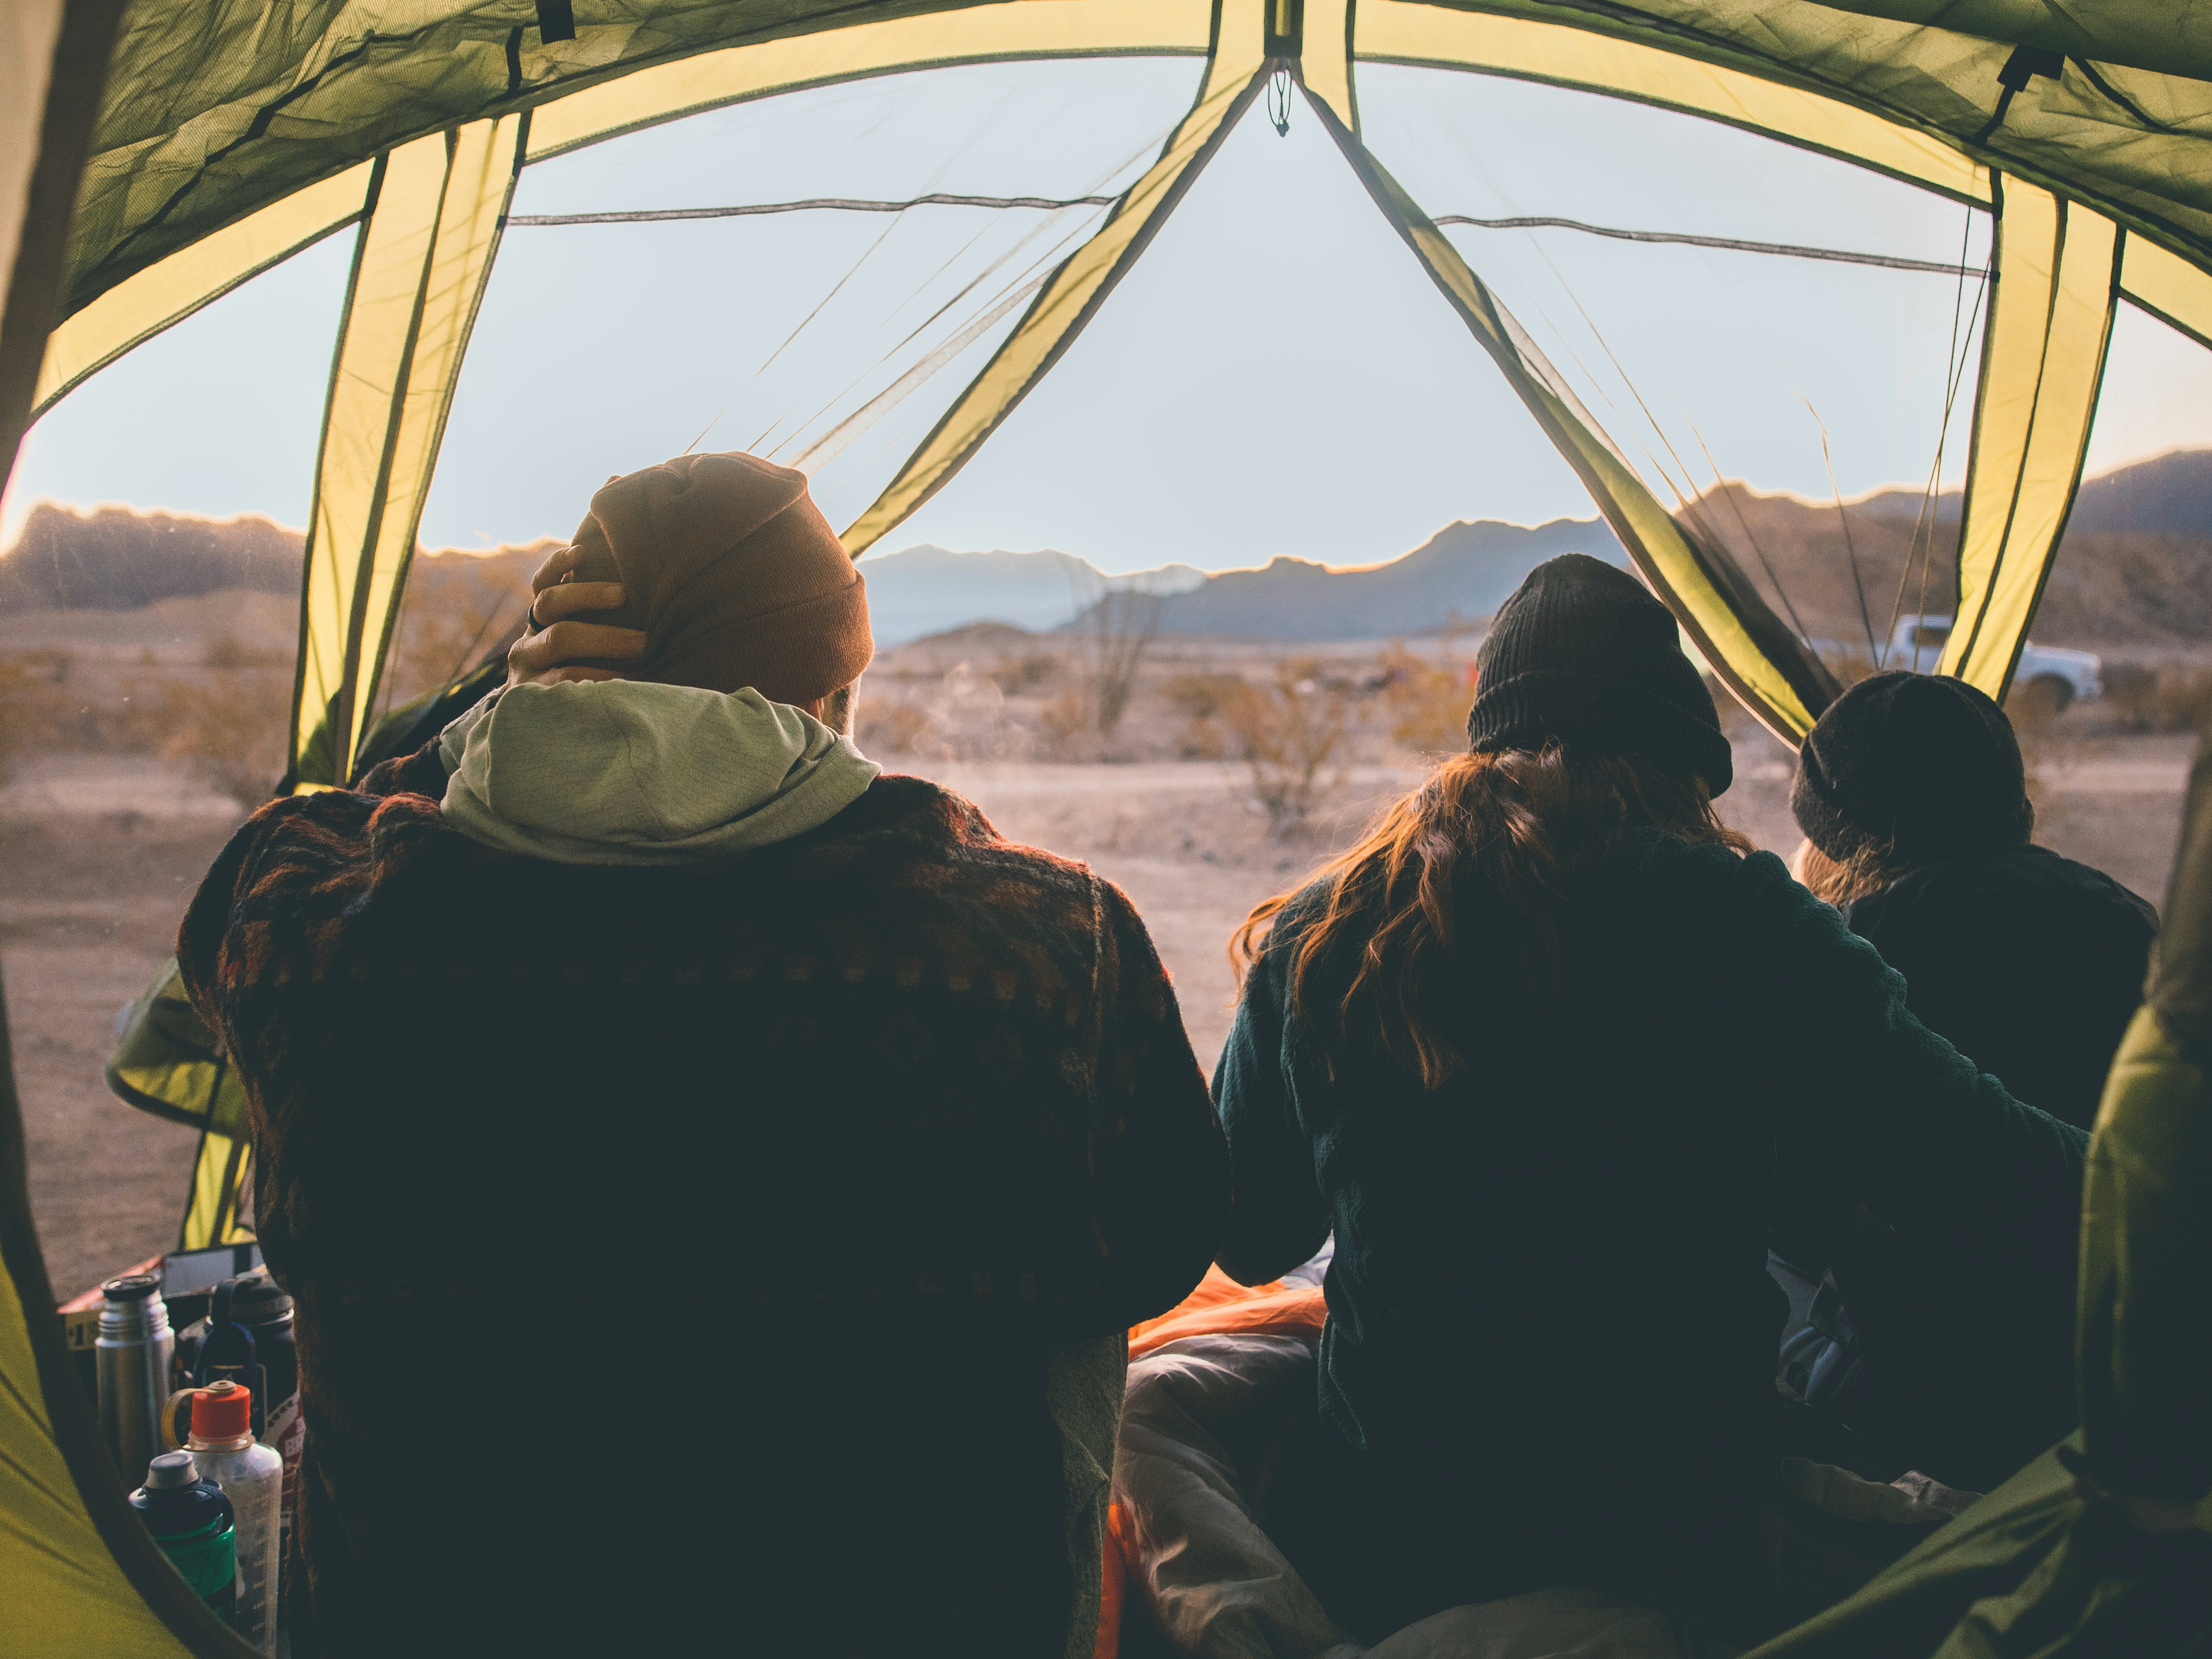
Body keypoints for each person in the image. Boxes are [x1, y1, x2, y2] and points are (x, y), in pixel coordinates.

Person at [177, 451, 1229, 1658]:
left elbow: (294, 844)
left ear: (549, 680)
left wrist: (533, 718)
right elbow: (1158, 1242)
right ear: (830, 694)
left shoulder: (310, 927)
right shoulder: (1044, 951)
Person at [1210, 555, 2087, 1642]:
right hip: (1670, 1529)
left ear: (1486, 739)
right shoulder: (1738, 918)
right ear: (1681, 768)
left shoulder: (1327, 930)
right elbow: (1985, 1169)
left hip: (1392, 1533)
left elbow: (1248, 1235)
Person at [1778, 670, 2156, 1490]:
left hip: (1926, 1413)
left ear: (1836, 840)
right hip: (2132, 1378)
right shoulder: (2126, 920)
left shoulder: (1851, 957)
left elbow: (1800, 1211)